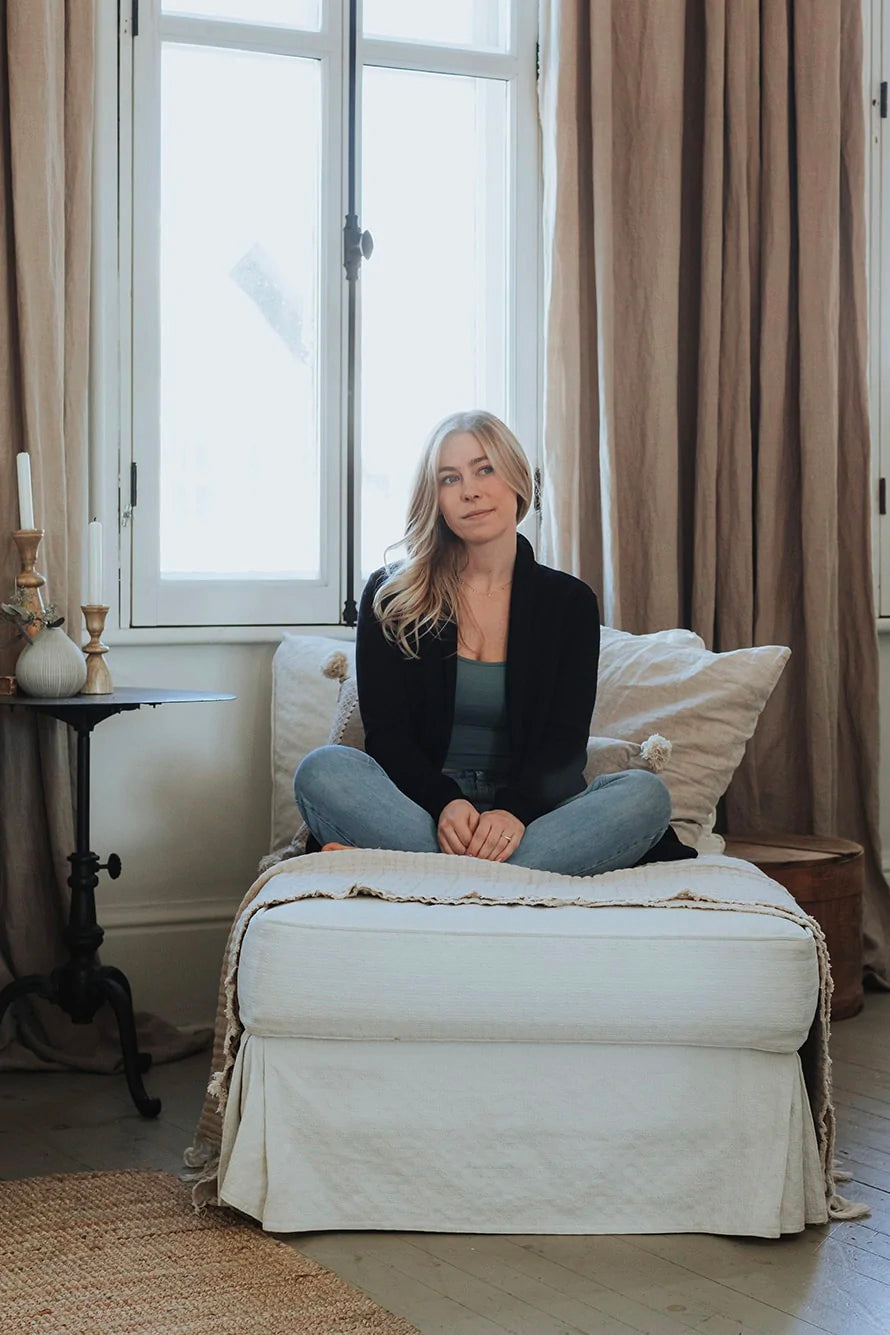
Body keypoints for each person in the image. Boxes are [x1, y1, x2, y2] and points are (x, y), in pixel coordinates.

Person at [294, 410, 690, 876]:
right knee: (323, 770)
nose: (470, 490)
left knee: (645, 797)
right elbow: (388, 736)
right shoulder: (391, 595)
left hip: (532, 814)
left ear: (517, 479)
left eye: (485, 469)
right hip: (420, 805)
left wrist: (512, 812)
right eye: (449, 478)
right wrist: (445, 804)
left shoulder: (569, 603)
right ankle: (502, 879)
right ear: (435, 498)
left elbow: (564, 746)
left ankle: (415, 871)